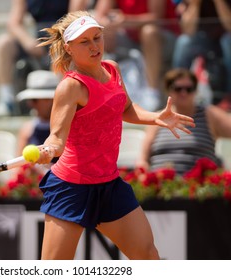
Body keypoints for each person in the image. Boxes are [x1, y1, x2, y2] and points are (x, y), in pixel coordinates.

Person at [33, 11, 195, 259]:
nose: (94, 46)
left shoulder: (113, 70)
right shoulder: (70, 87)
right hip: (71, 187)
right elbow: (56, 137)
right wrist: (49, 150)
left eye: (97, 37)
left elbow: (127, 109)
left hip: (109, 184)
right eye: (84, 42)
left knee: (148, 256)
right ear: (69, 48)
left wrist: (156, 117)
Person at [0, 0, 88, 117]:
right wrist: (27, 41)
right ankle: (7, 100)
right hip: (38, 43)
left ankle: (58, 101)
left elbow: (74, 20)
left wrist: (56, 42)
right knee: (3, 44)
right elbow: (13, 23)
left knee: (58, 52)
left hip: (65, 38)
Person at [137, 68, 231, 175]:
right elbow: (143, 160)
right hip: (161, 185)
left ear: (195, 90)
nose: (184, 93)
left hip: (199, 187)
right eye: (178, 89)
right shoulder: (158, 117)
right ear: (169, 91)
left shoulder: (209, 115)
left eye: (189, 89)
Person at [93, 0, 180, 111]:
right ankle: (107, 88)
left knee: (149, 31)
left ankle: (152, 92)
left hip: (164, 38)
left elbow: (157, 17)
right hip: (130, 37)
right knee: (104, 31)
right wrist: (108, 22)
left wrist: (126, 19)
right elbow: (99, 16)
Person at [172, 0, 231, 105]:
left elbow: (229, 26)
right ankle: (177, 95)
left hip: (224, 39)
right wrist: (195, 4)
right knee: (183, 42)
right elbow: (187, 30)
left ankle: (228, 96)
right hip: (203, 39)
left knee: (228, 41)